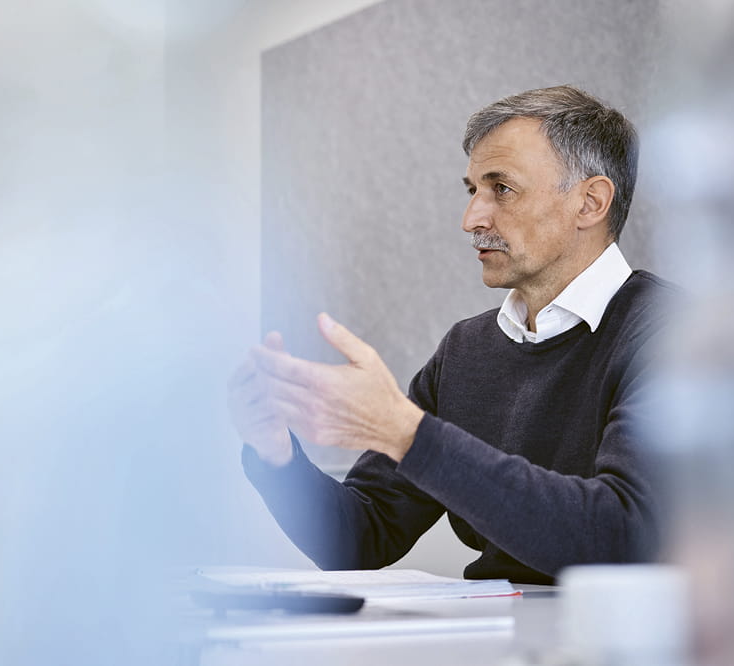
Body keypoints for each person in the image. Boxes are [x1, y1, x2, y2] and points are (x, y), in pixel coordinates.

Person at [227, 85, 677, 584]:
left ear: (590, 203)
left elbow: (620, 536)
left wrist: (408, 434)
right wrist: (278, 456)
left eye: (501, 188)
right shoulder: (467, 351)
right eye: (472, 191)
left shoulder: (676, 336)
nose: (472, 219)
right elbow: (360, 535)